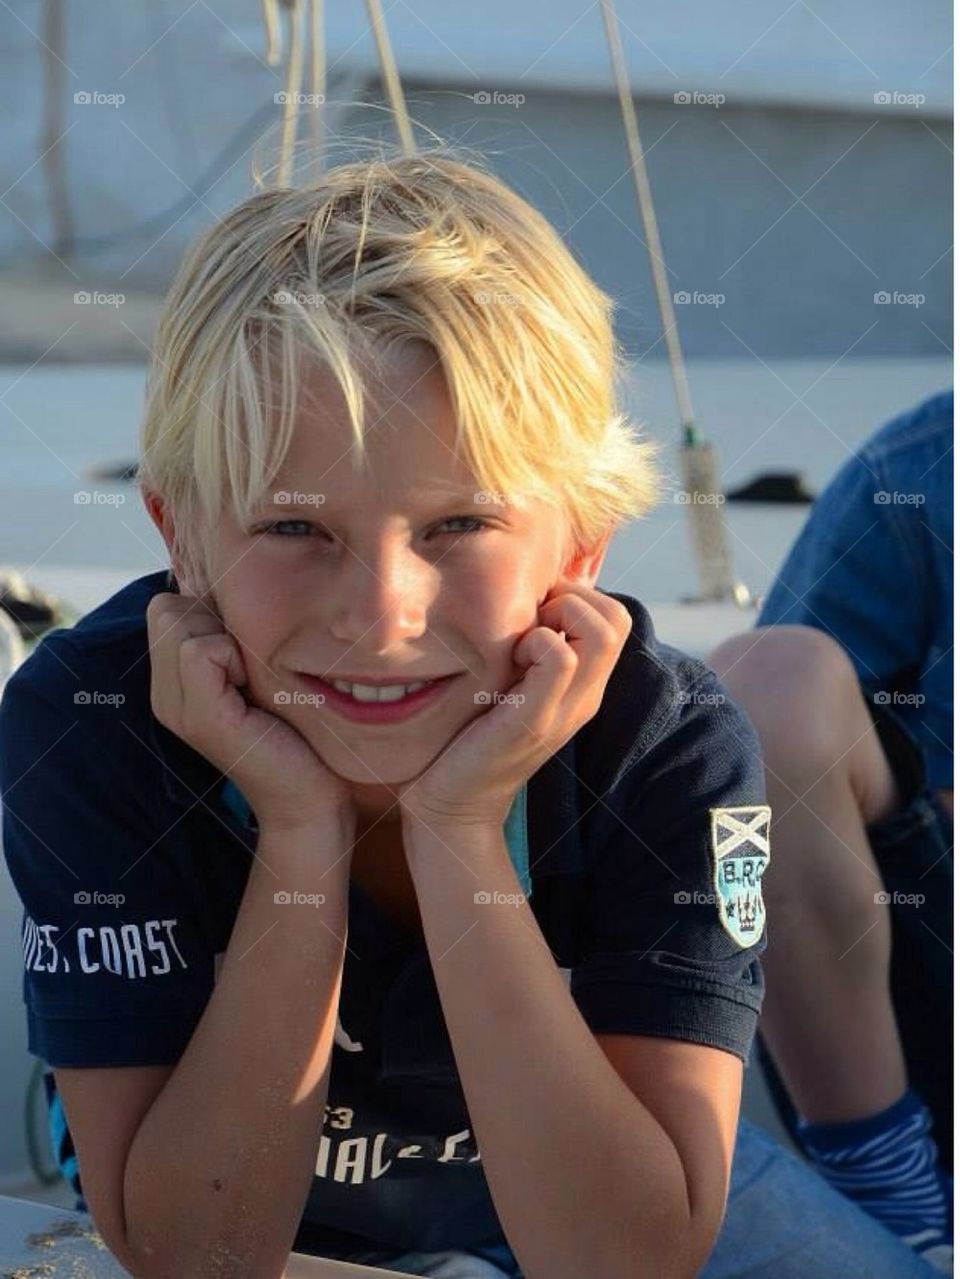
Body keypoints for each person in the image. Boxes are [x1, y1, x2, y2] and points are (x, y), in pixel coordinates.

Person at [0, 150, 938, 1279]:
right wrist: (301, 833)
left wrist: (456, 829)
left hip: (595, 1171)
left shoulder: (669, 748)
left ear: (581, 546)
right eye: (296, 530)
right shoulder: (89, 720)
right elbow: (195, 1253)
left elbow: (625, 1260)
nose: (381, 615)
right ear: (179, 537)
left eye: (459, 527)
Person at [706, 391, 953, 1275]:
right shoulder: (925, 466)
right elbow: (727, 778)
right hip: (924, 1003)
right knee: (761, 688)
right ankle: (892, 1194)